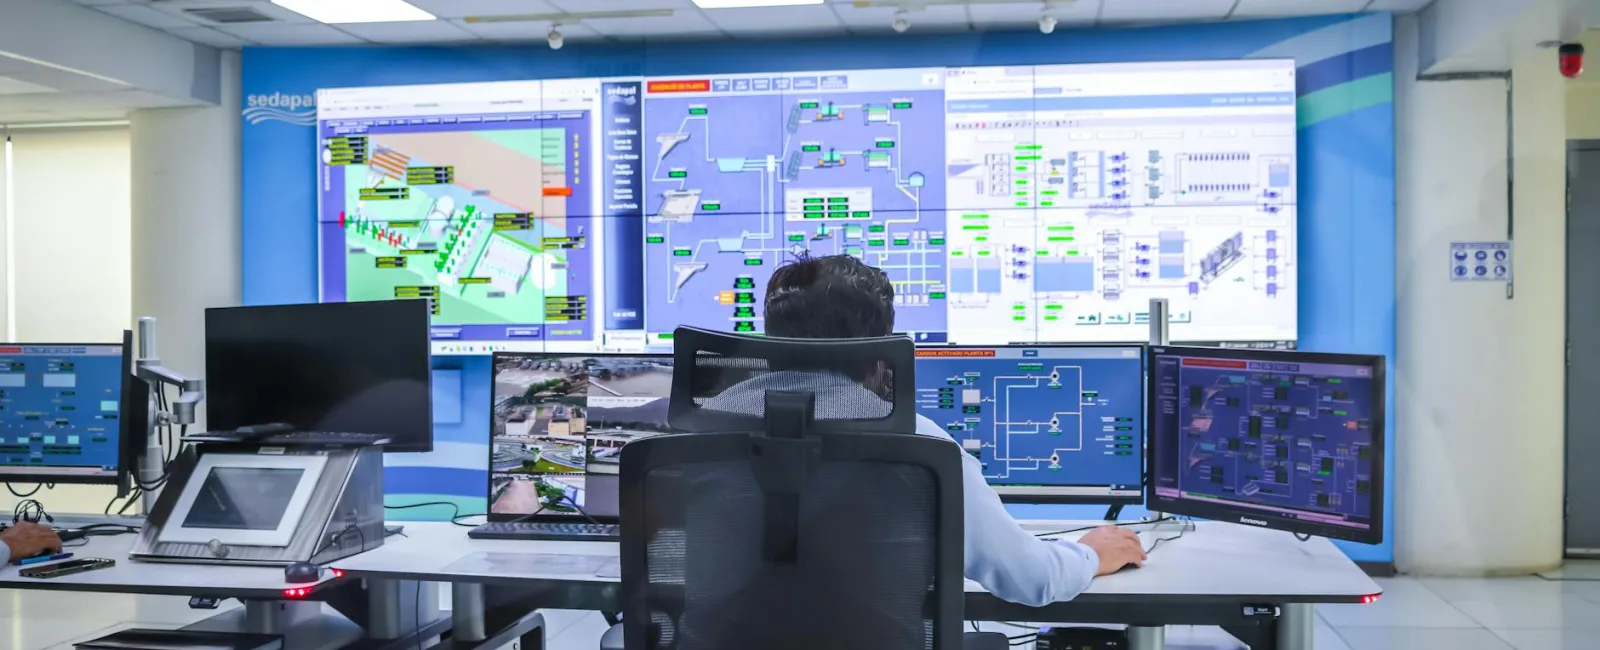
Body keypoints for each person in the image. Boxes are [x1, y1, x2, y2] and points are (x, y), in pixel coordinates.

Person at [750, 253, 1145, 607]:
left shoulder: (697, 431)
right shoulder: (920, 449)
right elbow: (1032, 579)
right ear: (880, 357)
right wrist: (1090, 554)